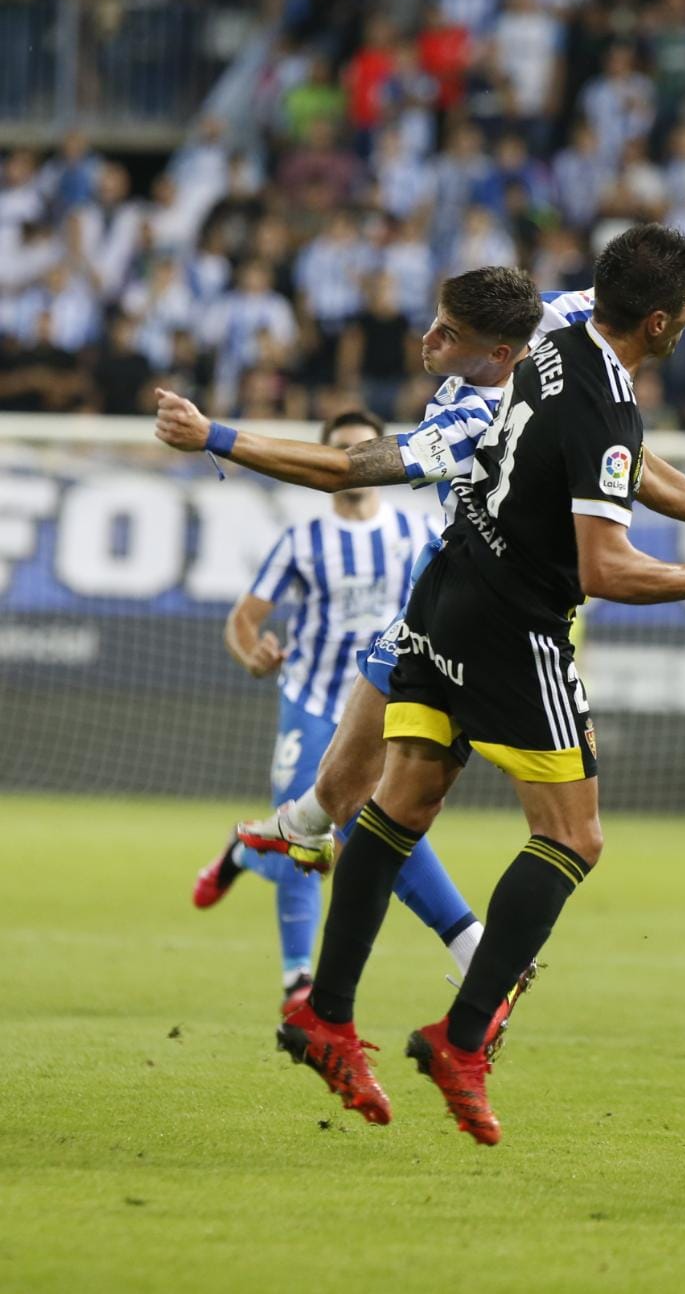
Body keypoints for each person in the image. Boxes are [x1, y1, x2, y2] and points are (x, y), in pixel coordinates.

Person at [269, 230, 685, 1144]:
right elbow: (604, 566)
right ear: (660, 323)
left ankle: (324, 1014)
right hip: (515, 622)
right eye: (682, 312)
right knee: (573, 836)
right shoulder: (605, 400)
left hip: (448, 588)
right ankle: (463, 1037)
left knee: (400, 801)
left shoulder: (554, 335)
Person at [153, 210, 685, 877]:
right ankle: (324, 850)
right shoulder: (562, 328)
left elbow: (345, 467)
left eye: (449, 335)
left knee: (510, 825)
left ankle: (480, 955)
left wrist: (213, 435)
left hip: (513, 611)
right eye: (435, 321)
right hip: (452, 585)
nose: (427, 341)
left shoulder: (468, 421)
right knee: (361, 794)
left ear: (501, 352)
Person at [193, 409, 457, 1012]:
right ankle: (297, 982)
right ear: (327, 459)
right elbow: (243, 620)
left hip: (382, 710)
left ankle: (240, 852)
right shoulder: (302, 539)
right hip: (310, 701)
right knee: (305, 838)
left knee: (360, 836)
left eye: (364, 448)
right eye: (342, 450)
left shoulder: (414, 533)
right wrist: (251, 654)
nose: (355, 460)